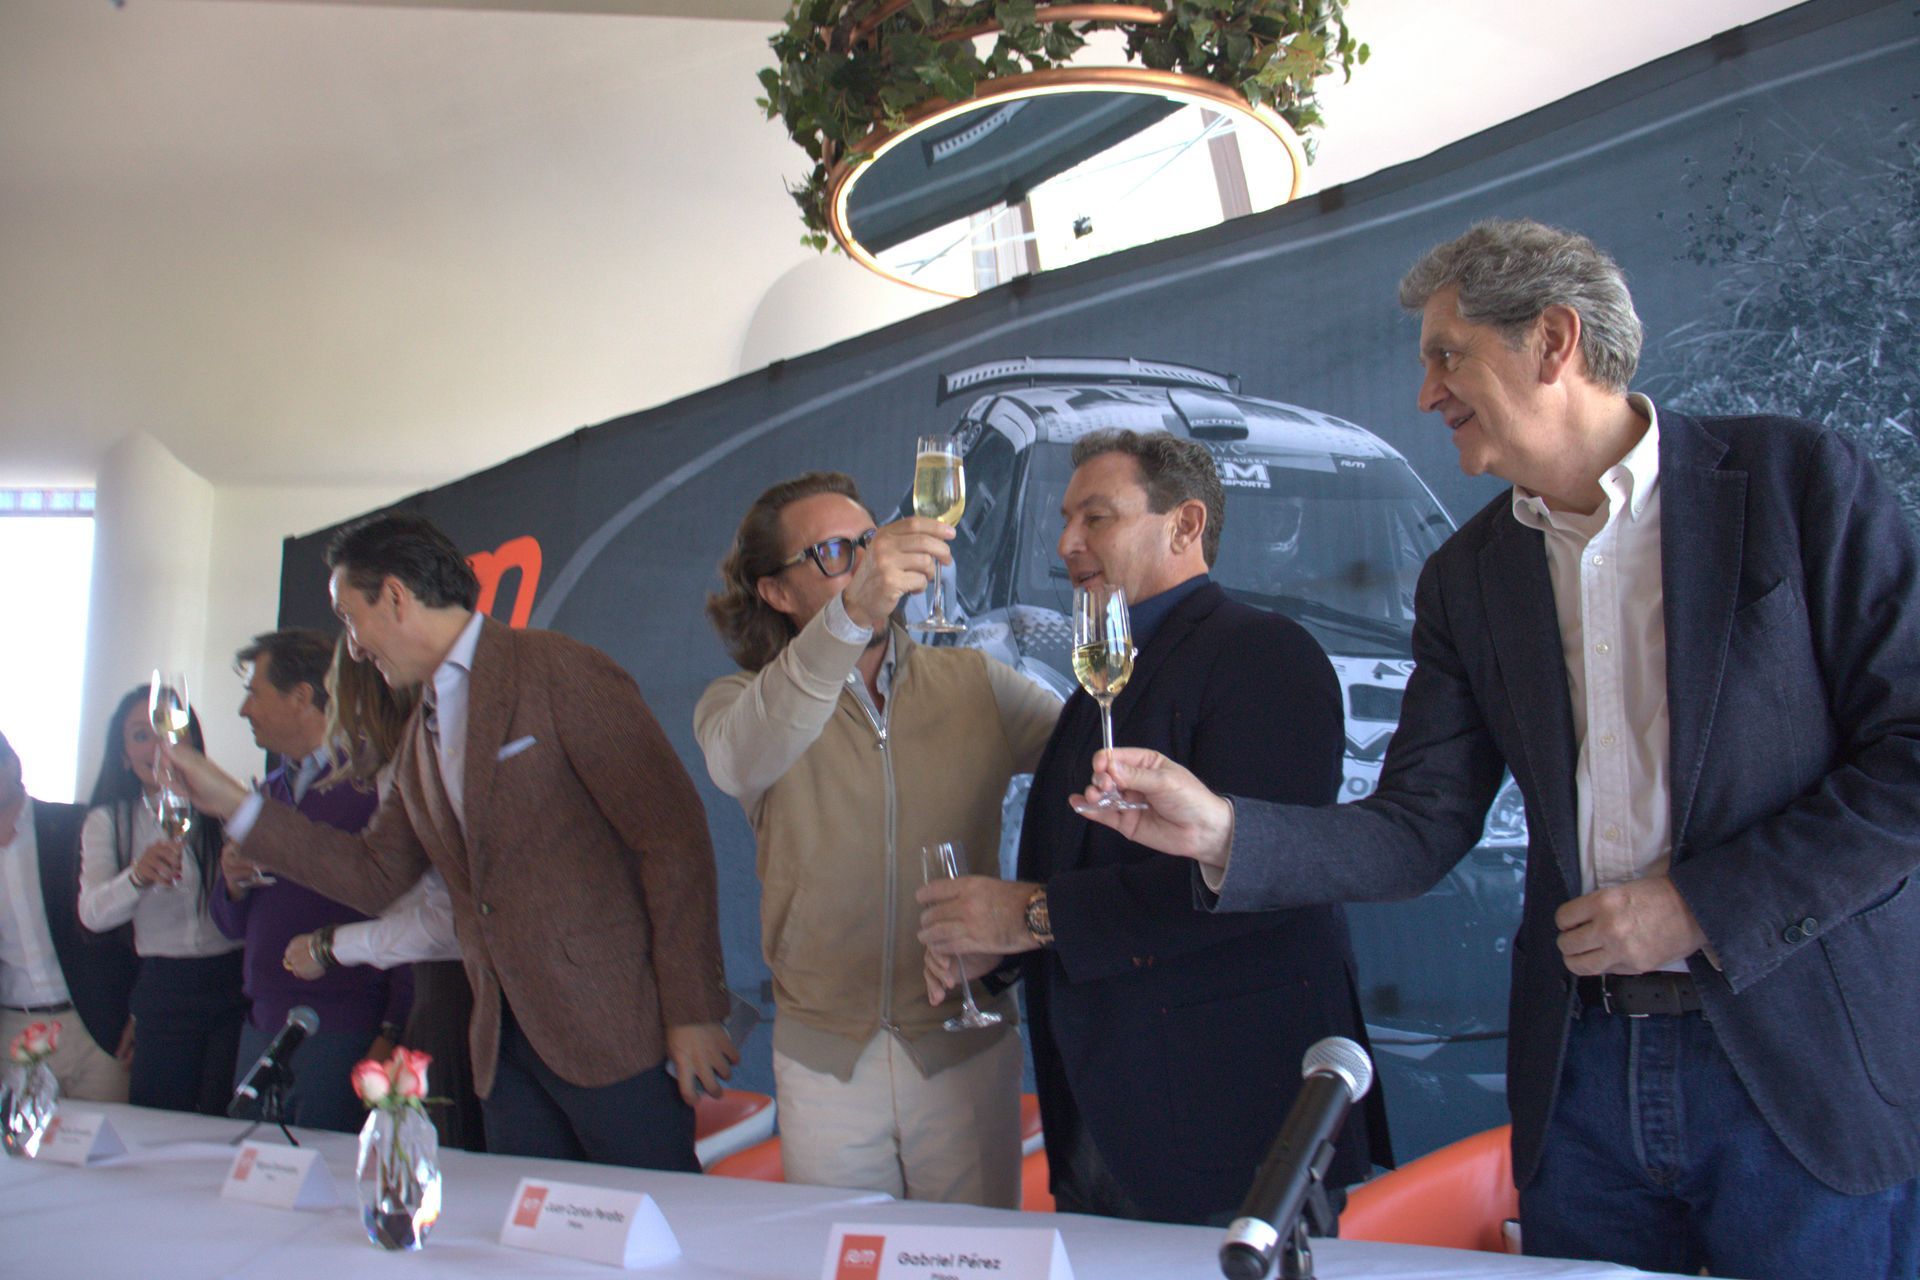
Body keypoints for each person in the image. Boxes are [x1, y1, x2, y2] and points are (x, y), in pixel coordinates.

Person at [1074, 219, 1920, 1274]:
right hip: (1585, 1081)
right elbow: (1420, 826)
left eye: (1446, 354)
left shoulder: (1800, 484)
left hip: (1799, 1069)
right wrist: (1224, 829)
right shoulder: (1466, 577)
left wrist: (1700, 904)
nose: (1427, 392)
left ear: (1554, 341)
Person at [162, 510, 735, 1170]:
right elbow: (375, 873)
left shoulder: (560, 670)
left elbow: (670, 835)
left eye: (350, 620)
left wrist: (694, 1010)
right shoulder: (419, 736)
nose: (350, 647)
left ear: (397, 598)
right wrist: (233, 806)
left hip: (612, 1031)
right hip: (500, 1049)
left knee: (654, 1225)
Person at [917, 430, 1389, 1225]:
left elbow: (1253, 886)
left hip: (1233, 1137)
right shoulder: (1101, 673)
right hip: (1102, 1125)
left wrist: (1030, 917)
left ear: (1185, 525)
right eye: (1066, 520)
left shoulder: (1267, 655)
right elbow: (1077, 871)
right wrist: (997, 948)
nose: (1066, 543)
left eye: (1096, 517)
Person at [694, 471, 1060, 1206]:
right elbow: (742, 758)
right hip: (827, 1065)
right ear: (776, 592)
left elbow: (1091, 765)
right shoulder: (740, 703)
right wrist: (852, 616)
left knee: (972, 1262)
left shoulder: (974, 682)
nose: (865, 562)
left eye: (870, 541)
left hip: (963, 1046)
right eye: (834, 551)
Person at [281, 635, 485, 1151]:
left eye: (333, 693)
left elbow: (446, 922)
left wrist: (331, 946)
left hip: (455, 996)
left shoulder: (423, 768)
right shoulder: (398, 769)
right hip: (436, 995)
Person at [210, 628, 410, 1133]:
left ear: (301, 696)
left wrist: (393, 1029)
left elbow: (411, 910)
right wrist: (231, 882)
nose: (243, 711)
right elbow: (229, 925)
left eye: (253, 693)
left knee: (327, 1185)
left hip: (344, 1031)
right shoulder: (264, 797)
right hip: (263, 1025)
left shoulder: (375, 784)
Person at [77, 687, 246, 1115]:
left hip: (233, 981)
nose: (159, 747)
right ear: (122, 755)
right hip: (165, 985)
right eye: (140, 736)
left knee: (224, 1119)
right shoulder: (109, 821)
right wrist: (136, 877)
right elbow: (92, 913)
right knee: (159, 1117)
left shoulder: (226, 805)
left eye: (171, 732)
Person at [0, 729, 138, 1101]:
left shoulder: (76, 825)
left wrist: (138, 1009)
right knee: (21, 1155)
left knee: (112, 1146)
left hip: (95, 1024)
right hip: (13, 1029)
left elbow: (129, 922)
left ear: (13, 765)